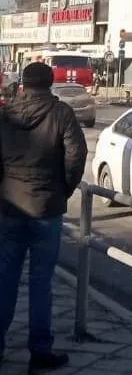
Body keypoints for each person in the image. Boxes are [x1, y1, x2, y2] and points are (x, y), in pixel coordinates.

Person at [0, 62, 88, 371]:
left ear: (23, 84)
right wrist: (64, 188)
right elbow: (77, 154)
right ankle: (40, 351)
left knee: (5, 278)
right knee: (41, 283)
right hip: (47, 209)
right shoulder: (61, 113)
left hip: (9, 208)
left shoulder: (5, 113)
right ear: (51, 83)